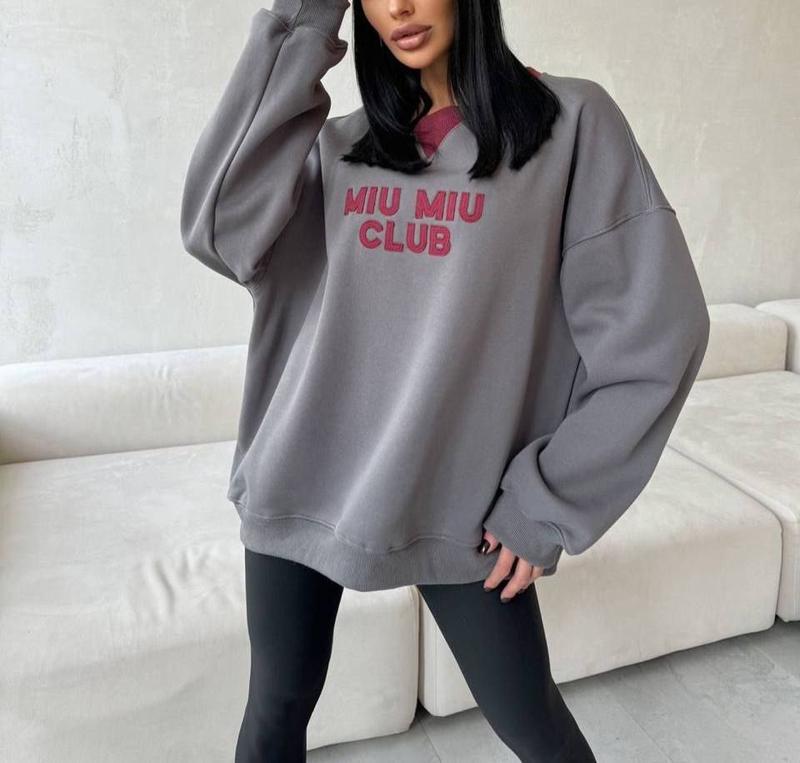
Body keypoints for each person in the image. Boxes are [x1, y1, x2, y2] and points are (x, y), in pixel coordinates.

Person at [180, 1, 710, 760]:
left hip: (464, 507)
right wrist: (304, 18)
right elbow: (218, 229)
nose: (398, 5)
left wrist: (547, 499)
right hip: (299, 476)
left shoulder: (570, 126)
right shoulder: (339, 146)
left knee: (535, 727)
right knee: (275, 709)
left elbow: (658, 334)